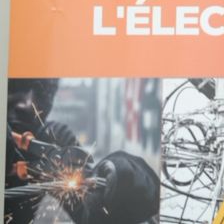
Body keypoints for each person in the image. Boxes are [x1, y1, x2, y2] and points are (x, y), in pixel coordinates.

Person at [5, 78, 159, 224]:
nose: (27, 103)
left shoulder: (55, 140)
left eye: (43, 91)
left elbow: (92, 211)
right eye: (17, 86)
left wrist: (125, 180)